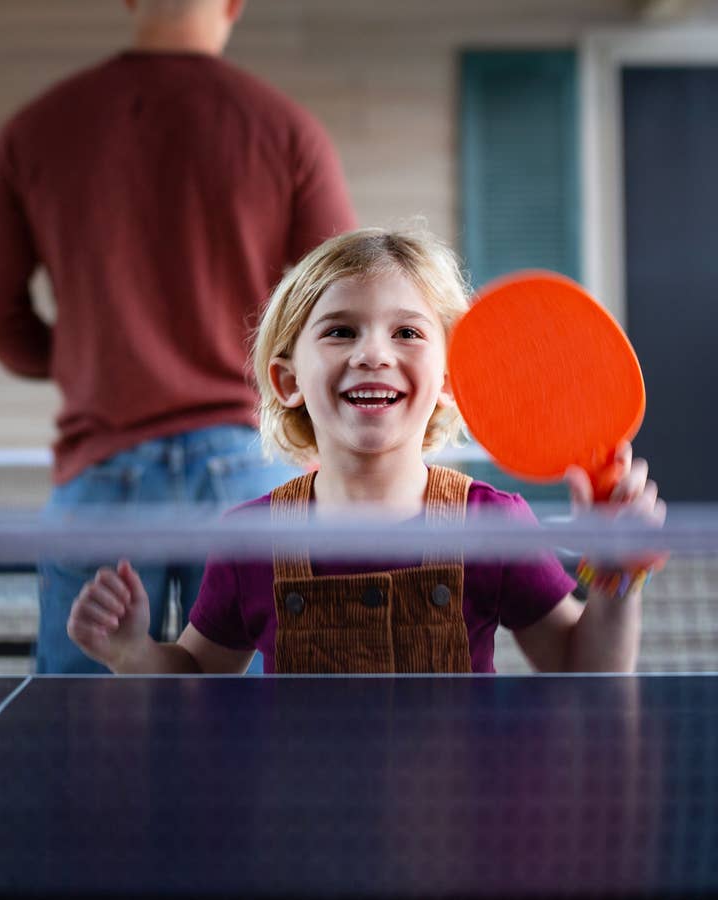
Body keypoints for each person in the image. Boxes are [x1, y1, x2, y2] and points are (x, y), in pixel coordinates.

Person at [66, 226, 666, 674]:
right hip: (301, 831)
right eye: (340, 330)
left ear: (453, 380)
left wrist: (614, 577)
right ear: (287, 381)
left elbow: (582, 668)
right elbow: (197, 673)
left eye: (407, 332)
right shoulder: (251, 541)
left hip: (453, 831)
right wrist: (134, 652)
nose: (374, 353)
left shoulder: (493, 525)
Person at [0, 0, 357, 673]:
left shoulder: (37, 130)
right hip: (252, 477)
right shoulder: (287, 130)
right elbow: (345, 309)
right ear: (234, 4)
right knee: (258, 740)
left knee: (85, 742)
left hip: (102, 481)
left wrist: (87, 361)